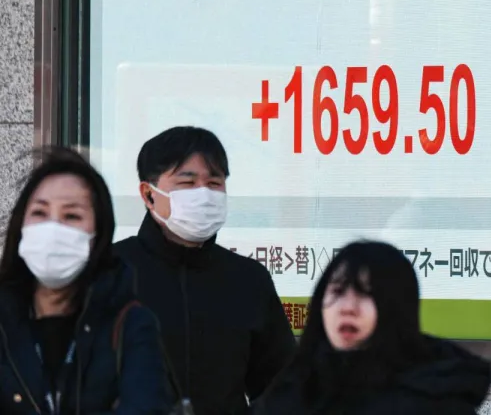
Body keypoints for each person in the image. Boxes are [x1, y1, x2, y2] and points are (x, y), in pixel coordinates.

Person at [113, 126, 295, 415]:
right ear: (149, 194)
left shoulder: (248, 280)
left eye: (214, 183)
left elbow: (281, 388)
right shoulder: (110, 271)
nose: (204, 194)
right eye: (187, 183)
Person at [0, 146, 174, 414]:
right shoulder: (5, 322)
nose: (53, 228)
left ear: (98, 235)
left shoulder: (130, 326)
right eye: (39, 213)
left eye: (72, 216)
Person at [253, 240, 491, 414]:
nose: (348, 307)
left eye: (366, 293)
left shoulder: (438, 397)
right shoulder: (294, 390)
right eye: (337, 291)